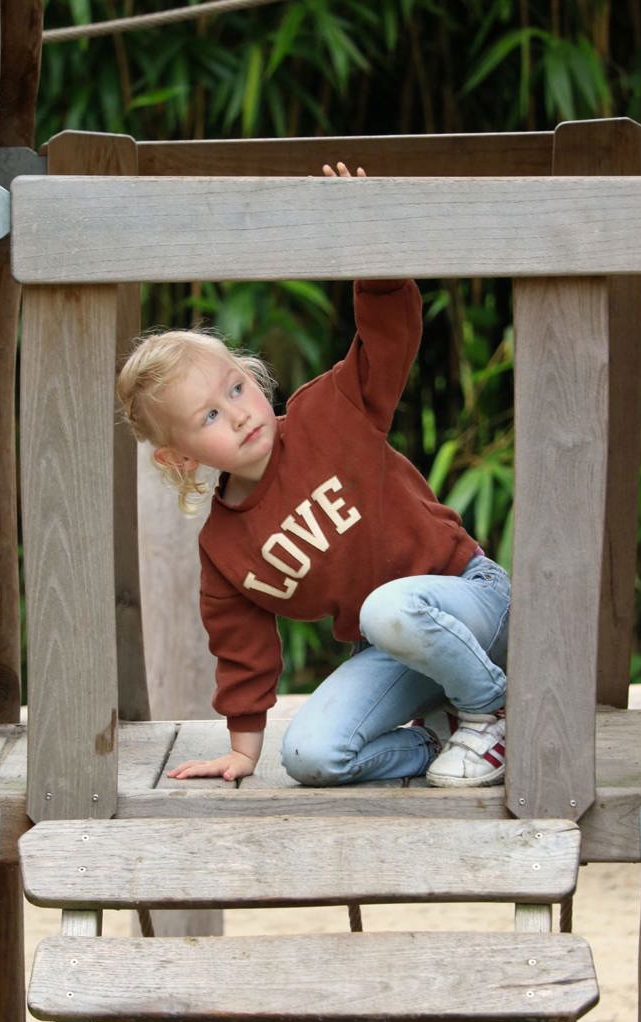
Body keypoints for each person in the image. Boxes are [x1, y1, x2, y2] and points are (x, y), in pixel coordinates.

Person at [117, 163, 510, 789]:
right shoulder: (225, 550)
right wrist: (243, 753)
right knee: (311, 756)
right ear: (181, 457)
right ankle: (445, 739)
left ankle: (496, 713)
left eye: (237, 387)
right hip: (396, 649)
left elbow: (388, 339)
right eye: (211, 415)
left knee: (388, 608)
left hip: (473, 599)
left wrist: (369, 243)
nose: (240, 413)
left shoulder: (330, 415)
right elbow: (241, 649)